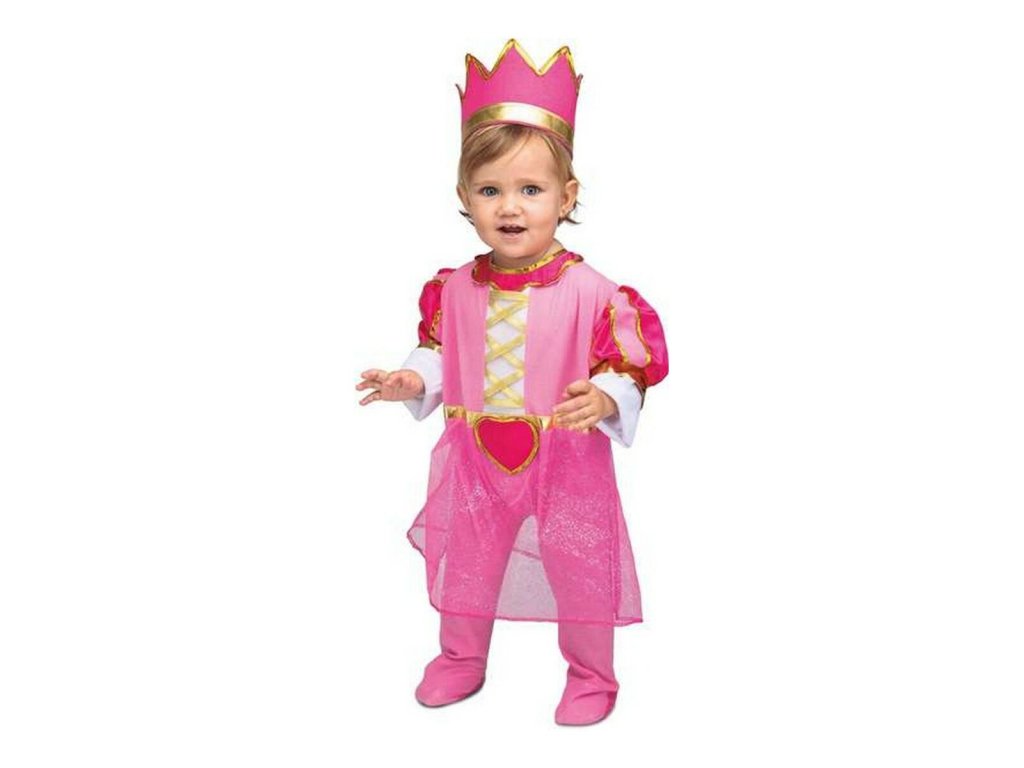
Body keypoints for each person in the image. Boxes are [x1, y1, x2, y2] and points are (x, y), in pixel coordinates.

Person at [356, 39, 669, 726]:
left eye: (531, 190)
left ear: (567, 196)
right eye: (491, 190)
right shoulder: (454, 289)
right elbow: (440, 351)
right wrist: (412, 379)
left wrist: (606, 395)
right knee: (468, 560)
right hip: (474, 458)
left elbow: (629, 365)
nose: (510, 207)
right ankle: (460, 657)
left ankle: (591, 674)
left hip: (566, 461)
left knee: (579, 566)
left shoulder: (595, 292)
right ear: (464, 197)